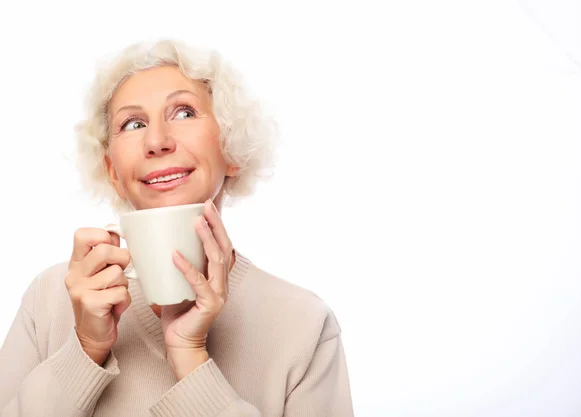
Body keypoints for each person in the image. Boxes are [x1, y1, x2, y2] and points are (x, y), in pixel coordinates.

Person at [0, 40, 354, 416]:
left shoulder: (304, 325)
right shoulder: (50, 299)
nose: (156, 142)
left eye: (184, 113)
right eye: (133, 124)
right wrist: (85, 347)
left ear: (231, 150)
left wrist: (190, 357)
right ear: (112, 172)